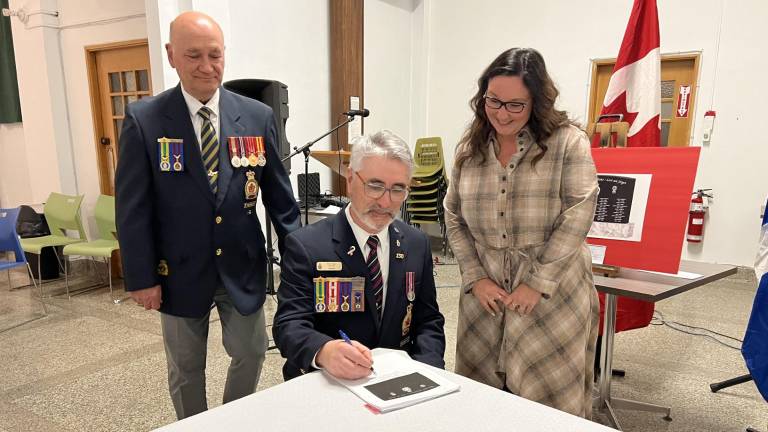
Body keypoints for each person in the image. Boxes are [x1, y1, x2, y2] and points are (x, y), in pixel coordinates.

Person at [115, 11, 300, 419]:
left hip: (241, 265)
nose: (205, 66)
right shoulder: (145, 120)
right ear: (171, 55)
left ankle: (229, 423)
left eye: (214, 55)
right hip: (176, 272)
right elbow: (132, 208)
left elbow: (281, 200)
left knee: (251, 354)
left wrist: (300, 262)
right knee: (185, 369)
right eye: (193, 55)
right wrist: (142, 277)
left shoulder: (256, 116)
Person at [444, 47, 599, 417]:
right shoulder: (471, 146)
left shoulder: (568, 142)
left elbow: (579, 212)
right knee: (480, 399)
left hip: (551, 293)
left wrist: (537, 282)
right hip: (486, 296)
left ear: (537, 102)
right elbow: (454, 214)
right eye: (493, 101)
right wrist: (476, 276)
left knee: (550, 402)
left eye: (516, 105)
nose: (501, 113)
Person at [273, 130, 445, 380]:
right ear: (351, 178)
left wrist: (428, 372)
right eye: (375, 186)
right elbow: (289, 325)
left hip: (395, 379)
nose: (386, 202)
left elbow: (428, 320)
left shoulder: (416, 243)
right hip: (328, 380)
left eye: (398, 189)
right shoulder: (306, 246)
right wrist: (323, 350)